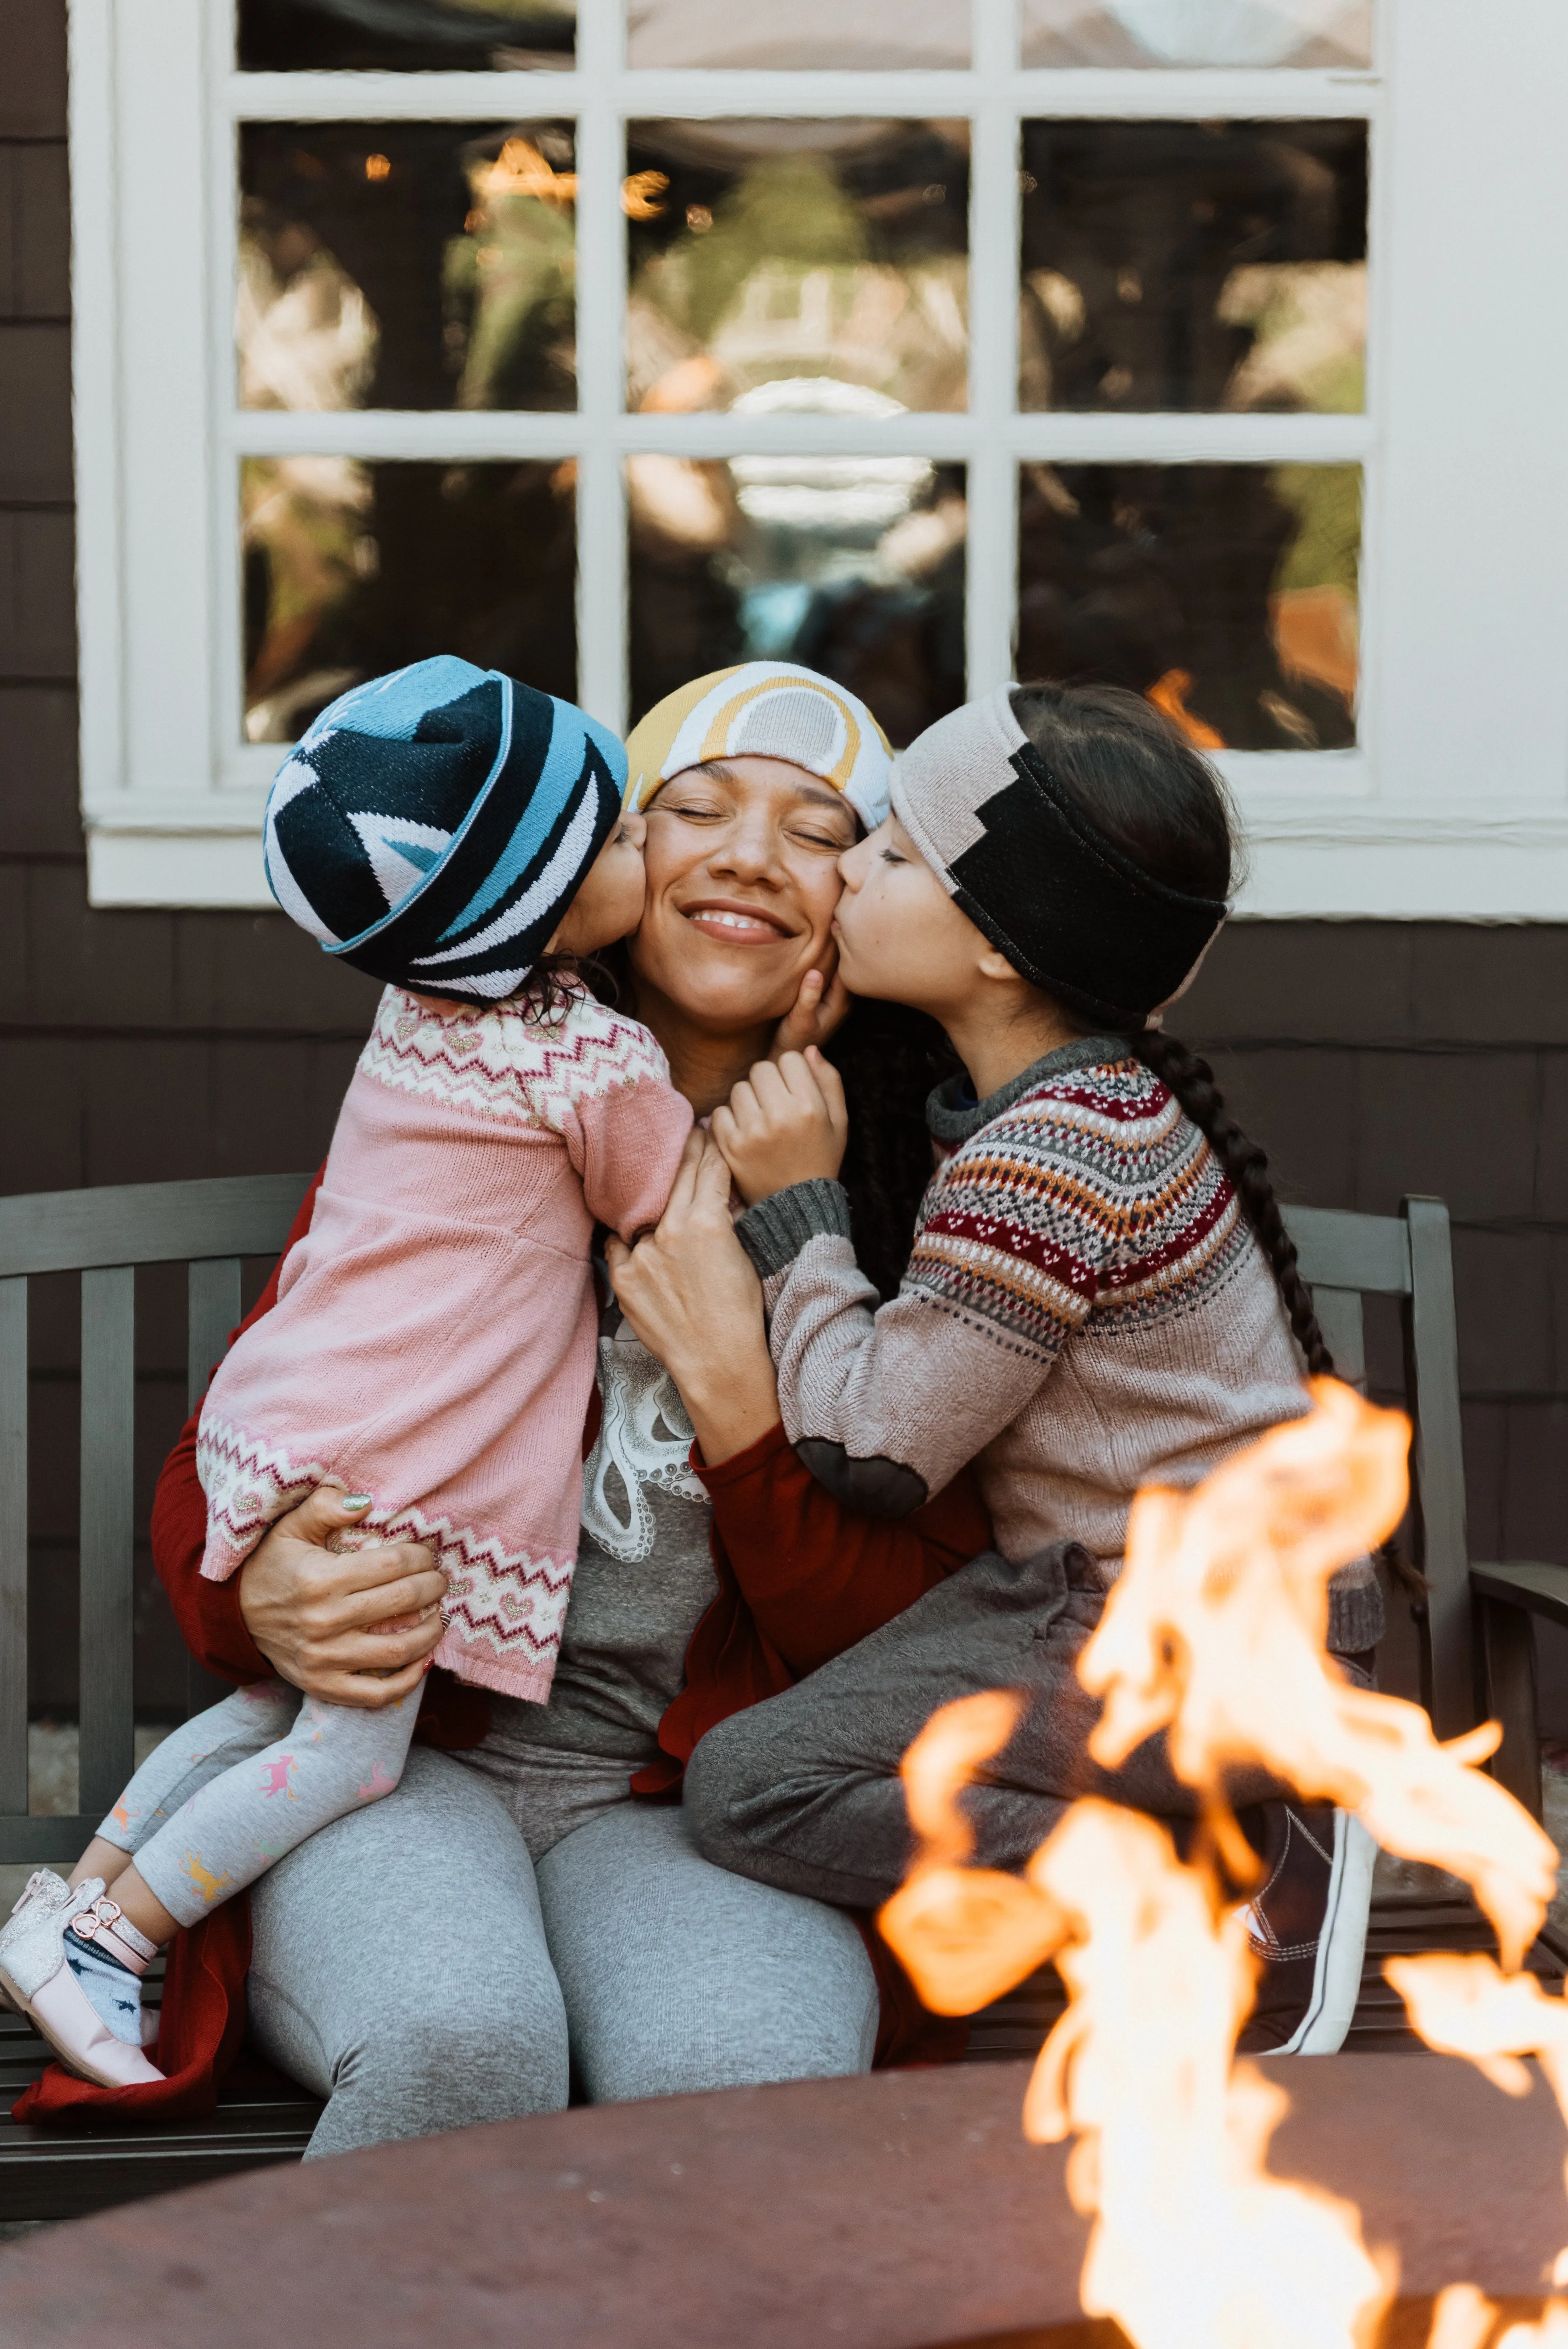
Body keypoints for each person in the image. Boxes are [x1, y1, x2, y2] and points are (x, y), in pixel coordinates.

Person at [18, 662, 990, 2153]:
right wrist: (267, 1582)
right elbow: (257, 1422)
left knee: (750, 2080)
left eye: (817, 830)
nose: (745, 854)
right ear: (599, 853)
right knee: (457, 2039)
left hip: (688, 1800)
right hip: (406, 1766)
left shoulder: (928, 1227)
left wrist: (740, 1394)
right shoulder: (469, 1100)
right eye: (694, 808)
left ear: (867, 898)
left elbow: (903, 1639)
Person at [649, 682, 1385, 2057]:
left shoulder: (1048, 1155)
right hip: (1145, 1612)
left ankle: (1211, 1883)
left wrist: (798, 1206)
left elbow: (875, 1450)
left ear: (993, 950)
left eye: (888, 856)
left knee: (754, 1782)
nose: (846, 873)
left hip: (1172, 1645)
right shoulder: (1083, 1105)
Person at [0, 655, 693, 2089]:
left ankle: (76, 1889)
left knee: (277, 1716)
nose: (657, 852)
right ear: (539, 907)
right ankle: (117, 1935)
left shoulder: (421, 1019)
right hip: (391, 1469)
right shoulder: (590, 1064)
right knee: (349, 1755)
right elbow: (669, 1202)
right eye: (629, 833)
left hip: (296, 1422)